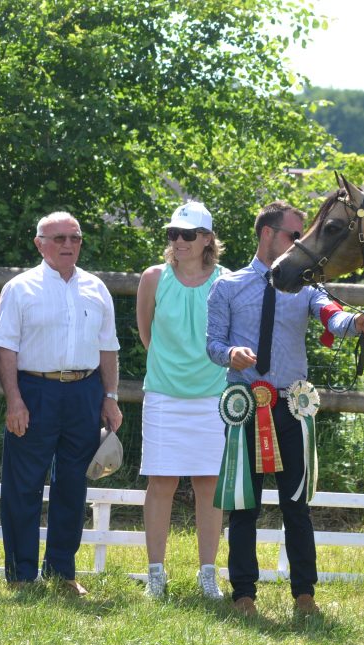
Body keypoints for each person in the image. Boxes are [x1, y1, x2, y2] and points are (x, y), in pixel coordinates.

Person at [206, 200, 364, 617]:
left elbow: (332, 317)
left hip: (292, 407)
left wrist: (355, 323)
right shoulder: (227, 286)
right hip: (246, 407)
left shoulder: (305, 287)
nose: (300, 243)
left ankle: (305, 595)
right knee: (244, 505)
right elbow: (212, 345)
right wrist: (232, 354)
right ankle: (243, 594)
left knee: (296, 506)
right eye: (294, 235)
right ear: (268, 234)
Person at [0, 211, 122, 596]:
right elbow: (6, 347)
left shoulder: (97, 288)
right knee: (23, 485)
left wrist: (109, 398)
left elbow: (108, 347)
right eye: (59, 238)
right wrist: (14, 400)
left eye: (75, 238)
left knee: (72, 485)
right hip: (34, 390)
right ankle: (21, 574)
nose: (68, 245)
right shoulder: (20, 287)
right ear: (39, 243)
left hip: (84, 391)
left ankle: (63, 572)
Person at [136, 201, 229, 600]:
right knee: (161, 483)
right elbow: (146, 334)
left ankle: (208, 574)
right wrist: (171, 371)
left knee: (210, 485)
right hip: (163, 395)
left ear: (207, 238)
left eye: (188, 234)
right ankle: (156, 576)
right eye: (173, 233)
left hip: (213, 397)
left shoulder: (227, 280)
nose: (179, 241)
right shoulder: (153, 278)